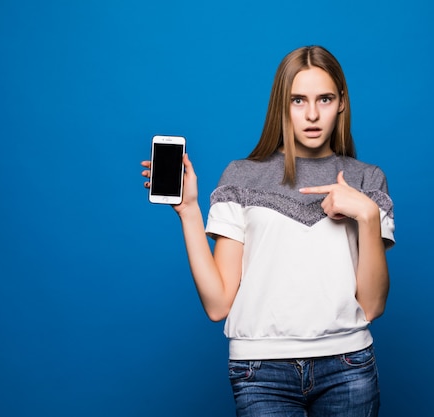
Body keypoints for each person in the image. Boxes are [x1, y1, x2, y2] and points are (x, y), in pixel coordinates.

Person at [142, 45, 395, 417]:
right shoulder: (241, 176)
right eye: (298, 100)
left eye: (324, 99)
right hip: (260, 372)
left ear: (341, 102)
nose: (312, 114)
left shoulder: (366, 179)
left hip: (348, 367)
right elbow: (217, 305)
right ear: (282, 104)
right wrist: (189, 211)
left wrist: (367, 214)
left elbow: (372, 305)